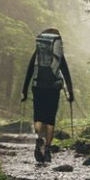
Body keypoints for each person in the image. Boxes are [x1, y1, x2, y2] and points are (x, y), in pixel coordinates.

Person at [21, 27, 74, 164]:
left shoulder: (38, 52)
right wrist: (70, 94)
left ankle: (39, 139)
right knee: (50, 120)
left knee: (39, 116)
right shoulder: (58, 54)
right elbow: (66, 73)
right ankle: (48, 149)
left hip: (37, 86)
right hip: (52, 88)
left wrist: (24, 91)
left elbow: (30, 70)